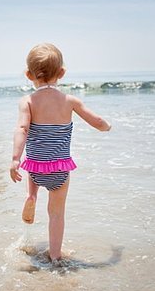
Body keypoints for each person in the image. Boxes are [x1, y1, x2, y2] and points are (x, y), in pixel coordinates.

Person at [9, 43, 112, 263]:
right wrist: (107, 127)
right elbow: (98, 121)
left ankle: (32, 194)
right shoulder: (70, 101)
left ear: (29, 75)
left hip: (35, 167)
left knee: (34, 160)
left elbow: (22, 129)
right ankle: (55, 256)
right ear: (62, 73)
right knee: (56, 214)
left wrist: (15, 159)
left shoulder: (27, 101)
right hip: (59, 168)